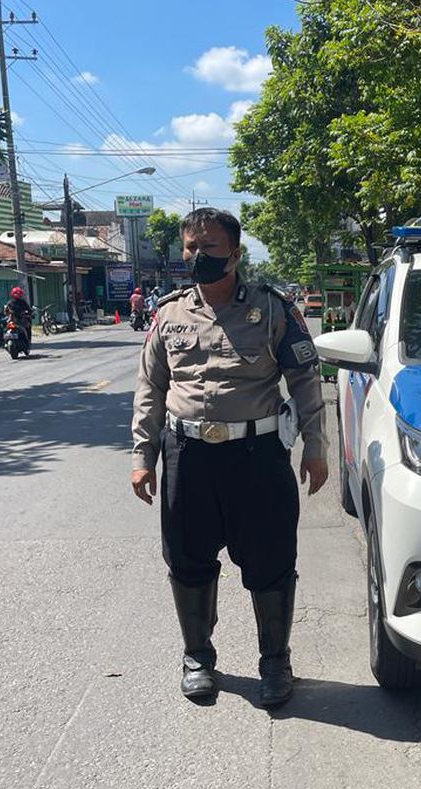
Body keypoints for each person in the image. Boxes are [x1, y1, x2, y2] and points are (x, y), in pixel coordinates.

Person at [130, 207, 327, 709]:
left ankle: (275, 661)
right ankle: (198, 657)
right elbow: (151, 387)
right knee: (188, 559)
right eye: (191, 248)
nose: (198, 257)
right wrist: (143, 455)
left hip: (257, 455)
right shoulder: (168, 313)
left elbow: (305, 380)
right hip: (187, 455)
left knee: (271, 561)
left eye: (210, 248)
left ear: (235, 254)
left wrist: (317, 447)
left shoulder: (273, 308)